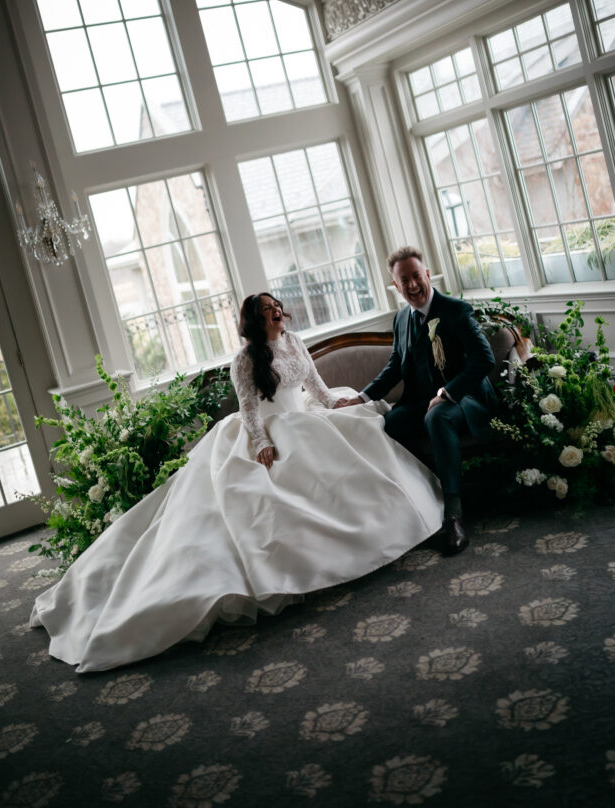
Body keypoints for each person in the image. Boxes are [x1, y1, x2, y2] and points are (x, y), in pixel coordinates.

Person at [30, 293, 443, 672]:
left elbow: (318, 390)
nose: (274, 312)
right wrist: (261, 441)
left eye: (275, 305)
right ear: (253, 321)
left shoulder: (295, 341)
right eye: (265, 310)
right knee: (264, 496)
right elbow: (248, 410)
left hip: (306, 420)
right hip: (268, 430)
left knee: (360, 438)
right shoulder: (245, 360)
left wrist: (347, 403)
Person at [343, 247, 496, 555]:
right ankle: (423, 502)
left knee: (436, 417)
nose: (412, 286)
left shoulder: (456, 310)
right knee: (389, 424)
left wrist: (446, 393)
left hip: (466, 399)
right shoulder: (401, 318)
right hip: (421, 402)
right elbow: (395, 366)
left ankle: (453, 516)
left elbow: (484, 359)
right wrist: (361, 397)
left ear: (427, 274)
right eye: (404, 281)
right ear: (396, 287)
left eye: (416, 276)